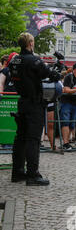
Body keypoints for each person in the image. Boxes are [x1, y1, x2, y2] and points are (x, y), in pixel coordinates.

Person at [9, 33, 60, 186]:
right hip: (34, 103)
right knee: (33, 140)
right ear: (30, 43)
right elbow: (51, 75)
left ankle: (17, 172)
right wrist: (57, 71)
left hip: (22, 102)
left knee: (20, 138)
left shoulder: (14, 60)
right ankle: (33, 174)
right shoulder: (33, 60)